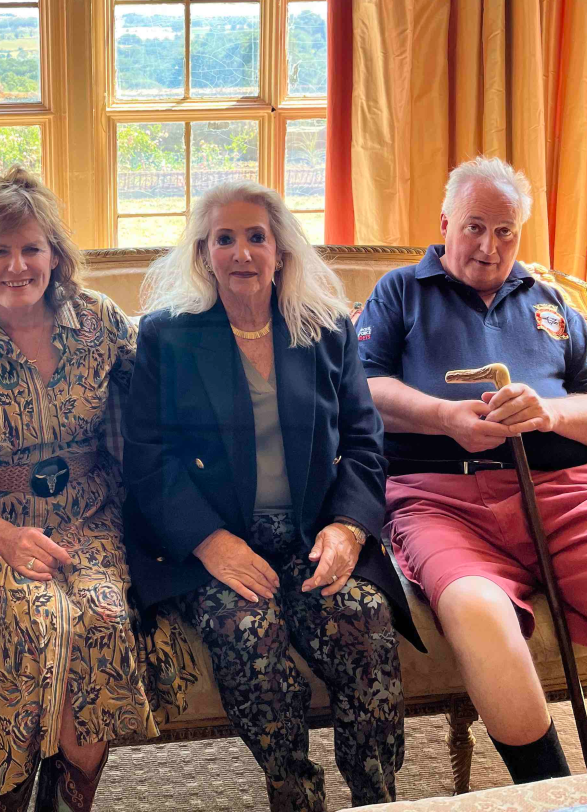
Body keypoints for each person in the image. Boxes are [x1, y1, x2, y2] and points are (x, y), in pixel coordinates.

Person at [123, 180, 423, 811]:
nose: (241, 253)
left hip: (313, 535)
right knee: (247, 637)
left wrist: (347, 529)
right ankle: (295, 796)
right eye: (223, 239)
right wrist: (208, 542)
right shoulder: (167, 336)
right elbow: (148, 459)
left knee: (365, 624)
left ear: (280, 250)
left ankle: (380, 798)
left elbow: (366, 443)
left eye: (255, 236)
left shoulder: (325, 330)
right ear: (204, 253)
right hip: (218, 542)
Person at [0, 166, 196, 812]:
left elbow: (167, 380)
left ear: (56, 256)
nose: (17, 265)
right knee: (32, 624)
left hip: (88, 516)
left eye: (31, 248)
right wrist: (0, 535)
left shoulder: (97, 323)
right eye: (0, 250)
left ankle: (68, 795)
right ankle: (5, 801)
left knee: (101, 619)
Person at [356, 155, 587, 784]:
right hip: (438, 498)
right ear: (445, 222)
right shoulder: (400, 290)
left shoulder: (554, 303)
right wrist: (442, 416)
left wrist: (550, 411)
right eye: (475, 226)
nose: (489, 247)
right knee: (477, 612)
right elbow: (363, 387)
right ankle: (553, 791)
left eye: (506, 231)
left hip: (560, 491)